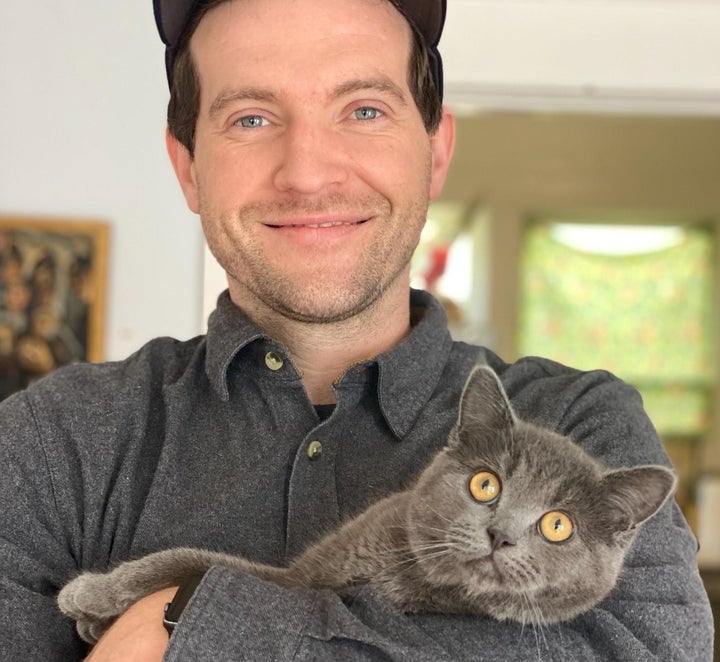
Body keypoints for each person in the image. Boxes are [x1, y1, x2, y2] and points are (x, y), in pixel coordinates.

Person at [0, 0, 713, 659]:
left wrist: (180, 620)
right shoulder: (54, 444)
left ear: (435, 151)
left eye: (364, 109)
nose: (308, 173)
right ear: (187, 167)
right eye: (251, 118)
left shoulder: (583, 424)